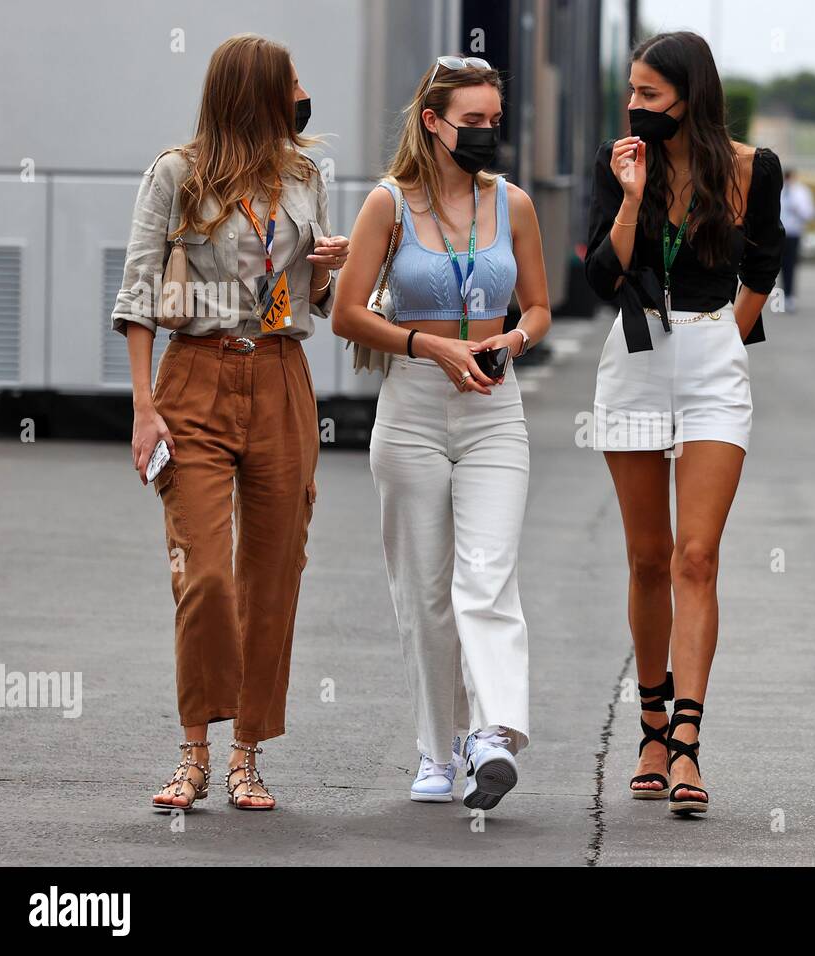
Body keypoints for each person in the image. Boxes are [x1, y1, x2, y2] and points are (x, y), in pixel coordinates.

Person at [112, 34, 350, 811]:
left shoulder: (308, 175)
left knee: (275, 572)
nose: (303, 94)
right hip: (195, 376)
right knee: (205, 573)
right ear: (253, 93)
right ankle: (195, 750)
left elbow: (309, 295)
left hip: (282, 372)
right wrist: (145, 407)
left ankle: (246, 754)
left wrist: (328, 269)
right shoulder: (176, 174)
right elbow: (140, 292)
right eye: (292, 82)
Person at [332, 56, 551, 809]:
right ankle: (437, 748)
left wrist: (511, 344)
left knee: (486, 575)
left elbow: (540, 309)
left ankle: (493, 732)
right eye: (473, 123)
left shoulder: (513, 204)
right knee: (424, 590)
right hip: (413, 405)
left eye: (495, 122)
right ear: (433, 122)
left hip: (494, 404)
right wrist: (430, 346)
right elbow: (347, 312)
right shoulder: (388, 204)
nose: (487, 134)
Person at [582, 30, 783, 816]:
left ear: (690, 97)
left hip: (710, 357)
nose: (636, 107)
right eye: (631, 93)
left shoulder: (749, 168)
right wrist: (631, 197)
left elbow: (763, 262)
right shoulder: (620, 160)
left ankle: (690, 747)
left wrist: (725, 336)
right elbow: (602, 275)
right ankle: (651, 727)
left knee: (696, 558)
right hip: (632, 358)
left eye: (650, 95)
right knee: (647, 559)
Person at [778, 167, 815, 312]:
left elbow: (809, 213)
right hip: (778, 233)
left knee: (790, 266)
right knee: (777, 267)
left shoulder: (801, 192)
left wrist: (797, 208)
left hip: (793, 233)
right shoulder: (777, 190)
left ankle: (790, 296)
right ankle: (780, 297)